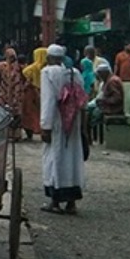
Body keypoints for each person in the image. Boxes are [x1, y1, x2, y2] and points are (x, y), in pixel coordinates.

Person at [39, 45, 86, 215]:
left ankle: (55, 201)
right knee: (73, 158)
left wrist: (45, 126)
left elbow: (48, 101)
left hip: (58, 122)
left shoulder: (48, 73)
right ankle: (71, 202)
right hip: (73, 122)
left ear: (49, 57)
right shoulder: (75, 73)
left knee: (54, 158)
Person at [0, 47, 27, 140]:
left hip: (13, 93)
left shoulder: (4, 66)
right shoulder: (3, 66)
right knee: (8, 113)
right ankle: (11, 134)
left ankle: (14, 134)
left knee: (14, 114)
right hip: (10, 93)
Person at [87, 64, 123, 143]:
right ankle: (90, 137)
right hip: (106, 106)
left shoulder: (112, 81)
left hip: (113, 108)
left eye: (100, 74)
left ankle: (89, 136)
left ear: (104, 73)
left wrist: (104, 100)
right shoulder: (108, 80)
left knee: (89, 115)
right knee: (88, 111)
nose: (99, 77)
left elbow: (117, 98)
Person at [20, 47, 48, 140]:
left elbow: (26, 77)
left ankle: (30, 134)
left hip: (31, 93)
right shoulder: (48, 68)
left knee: (29, 113)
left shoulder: (31, 68)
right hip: (44, 93)